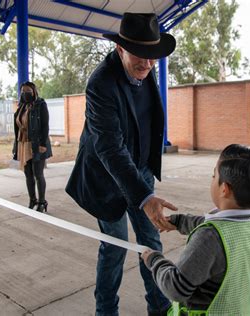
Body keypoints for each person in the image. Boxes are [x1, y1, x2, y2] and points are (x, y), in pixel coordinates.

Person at [65, 13, 177, 316]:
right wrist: (144, 197)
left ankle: (160, 308)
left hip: (140, 171)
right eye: (140, 55)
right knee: (114, 246)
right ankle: (106, 311)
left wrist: (145, 183)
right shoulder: (100, 83)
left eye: (152, 56)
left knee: (151, 243)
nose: (147, 63)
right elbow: (110, 148)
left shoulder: (145, 69)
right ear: (120, 49)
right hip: (107, 178)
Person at [140, 144, 250, 315]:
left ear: (224, 189)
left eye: (214, 176)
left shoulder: (208, 238)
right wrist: (180, 222)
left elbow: (175, 288)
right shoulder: (246, 222)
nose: (212, 179)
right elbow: (213, 224)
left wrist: (155, 260)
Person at [13, 81, 52, 213]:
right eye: (23, 91)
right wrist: (15, 147)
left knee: (38, 174)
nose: (25, 94)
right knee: (28, 174)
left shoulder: (40, 104)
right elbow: (17, 129)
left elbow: (45, 126)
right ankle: (32, 200)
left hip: (36, 144)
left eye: (28, 91)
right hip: (23, 144)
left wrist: (42, 144)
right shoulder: (21, 107)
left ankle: (42, 202)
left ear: (34, 91)